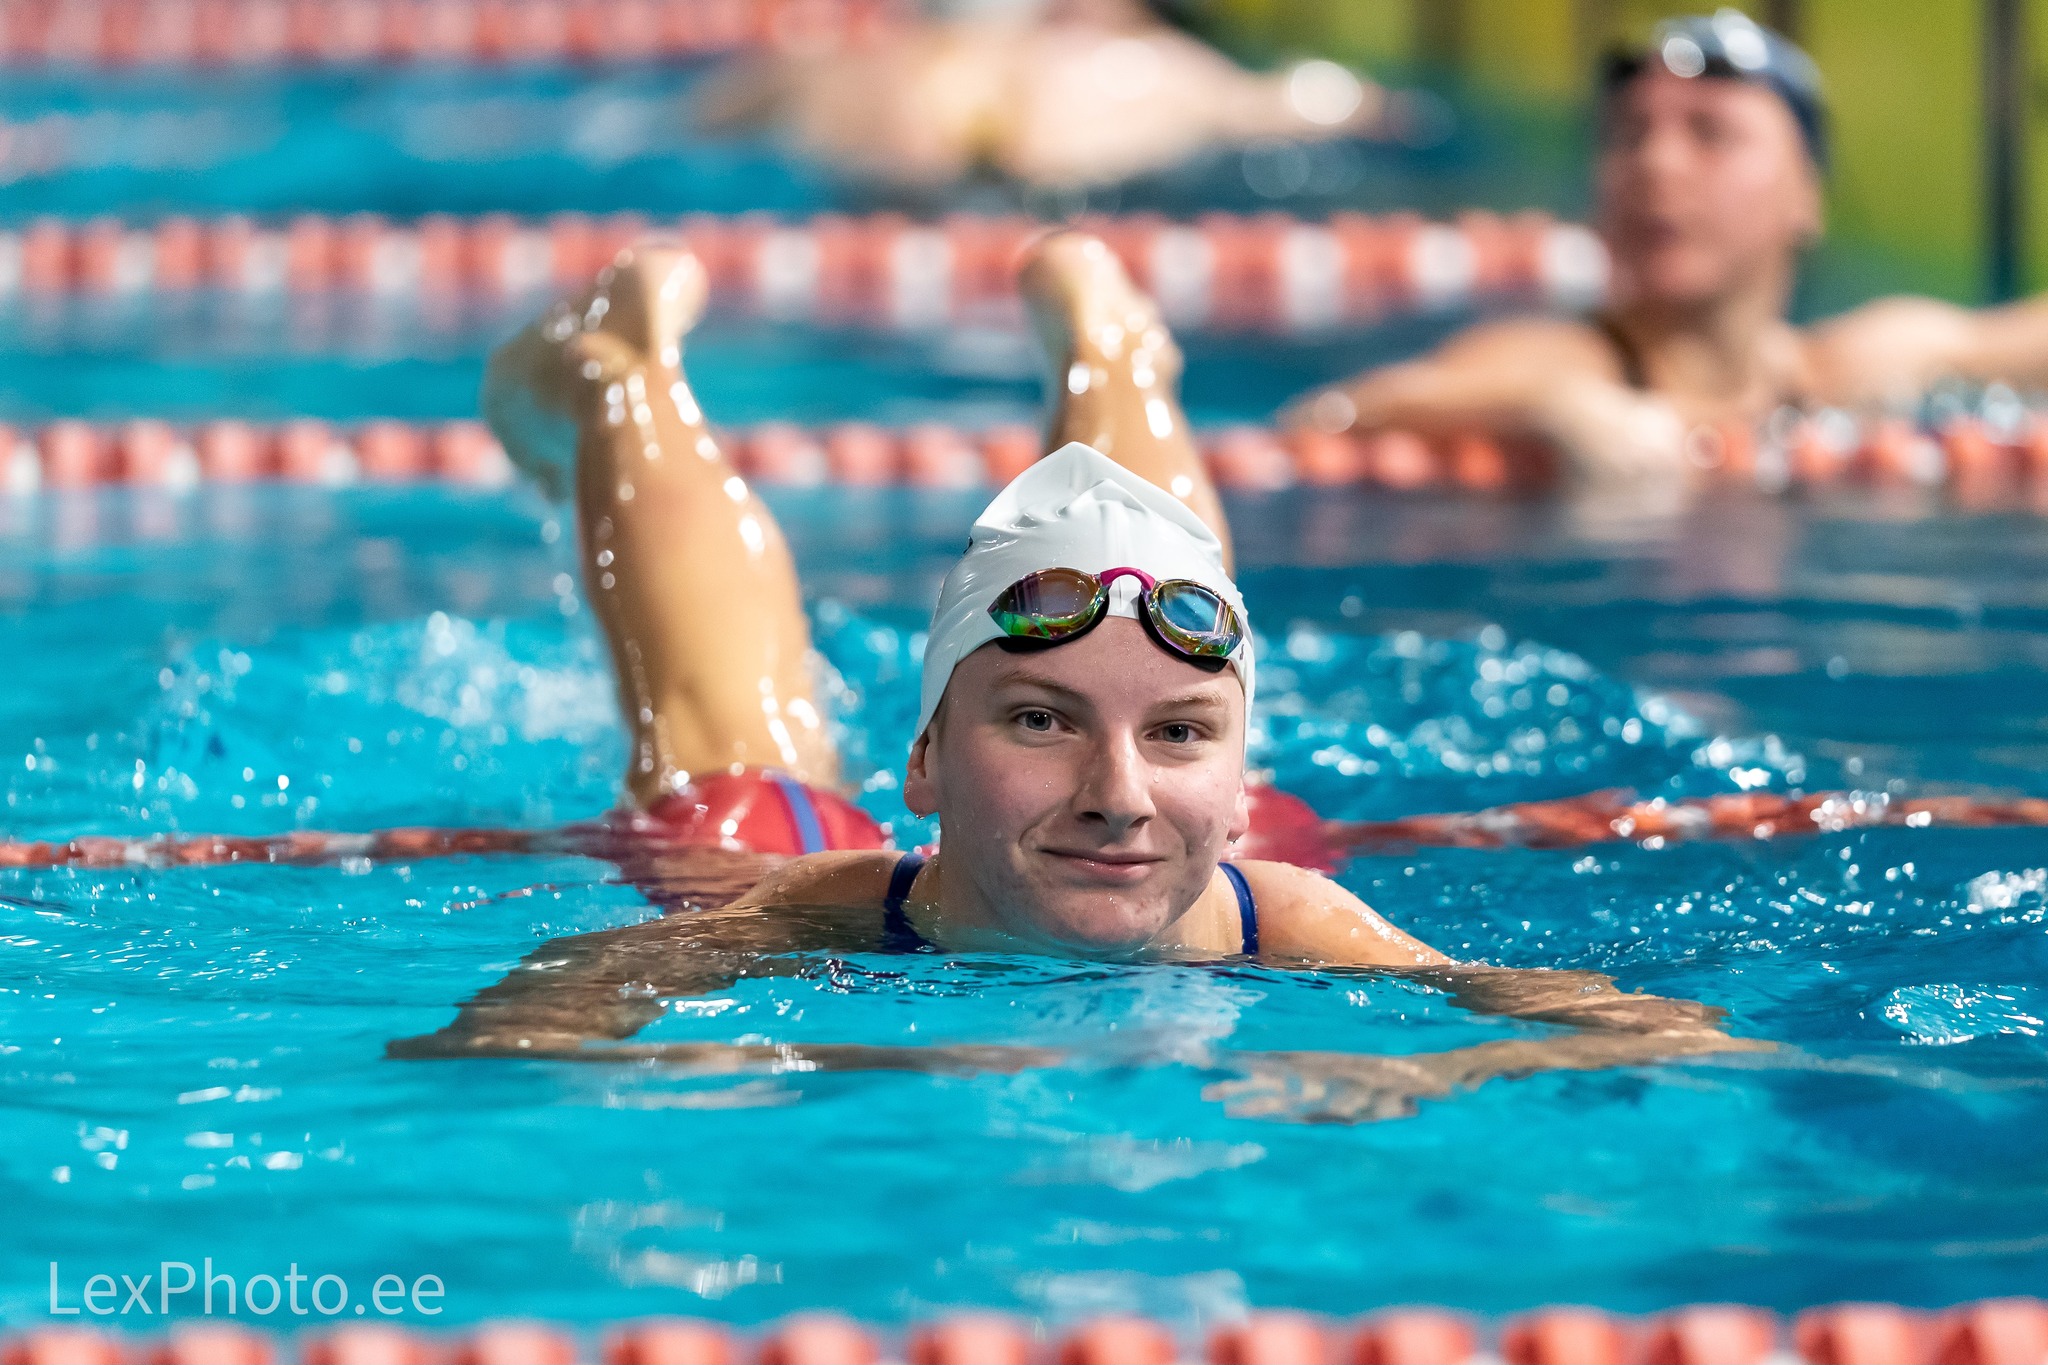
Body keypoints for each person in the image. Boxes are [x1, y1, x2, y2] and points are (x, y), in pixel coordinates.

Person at [394, 231, 1764, 1122]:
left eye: (1179, 733)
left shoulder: (1286, 913)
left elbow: (1670, 1037)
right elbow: (514, 1029)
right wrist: (684, 1070)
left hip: (1195, 859)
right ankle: (620, 377)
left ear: (1236, 777)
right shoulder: (818, 904)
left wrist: (1424, 1063)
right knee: (734, 777)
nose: (1118, 793)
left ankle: (1111, 345)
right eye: (1042, 718)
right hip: (913, 880)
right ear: (925, 757)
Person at [1290, 9, 2048, 489]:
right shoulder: (1563, 365)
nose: (1655, 165)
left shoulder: (1850, 371)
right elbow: (1324, 420)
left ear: (1806, 195)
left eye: (1709, 133)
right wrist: (1540, 407)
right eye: (1629, 136)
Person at [694, 0, 1398, 191]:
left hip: (878, 181)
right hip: (1059, 188)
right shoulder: (1152, 68)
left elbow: (684, 124)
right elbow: (1340, 105)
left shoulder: (824, 64)